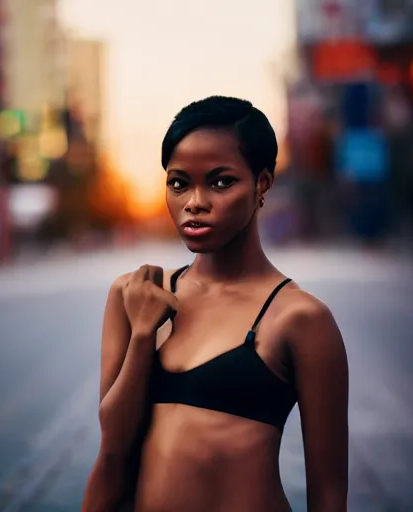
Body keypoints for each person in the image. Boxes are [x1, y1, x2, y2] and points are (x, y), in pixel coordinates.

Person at [81, 96, 349, 512]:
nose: (195, 202)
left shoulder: (301, 319)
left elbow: (329, 493)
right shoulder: (133, 295)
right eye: (179, 182)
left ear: (262, 183)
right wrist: (142, 335)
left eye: (221, 182)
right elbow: (113, 450)